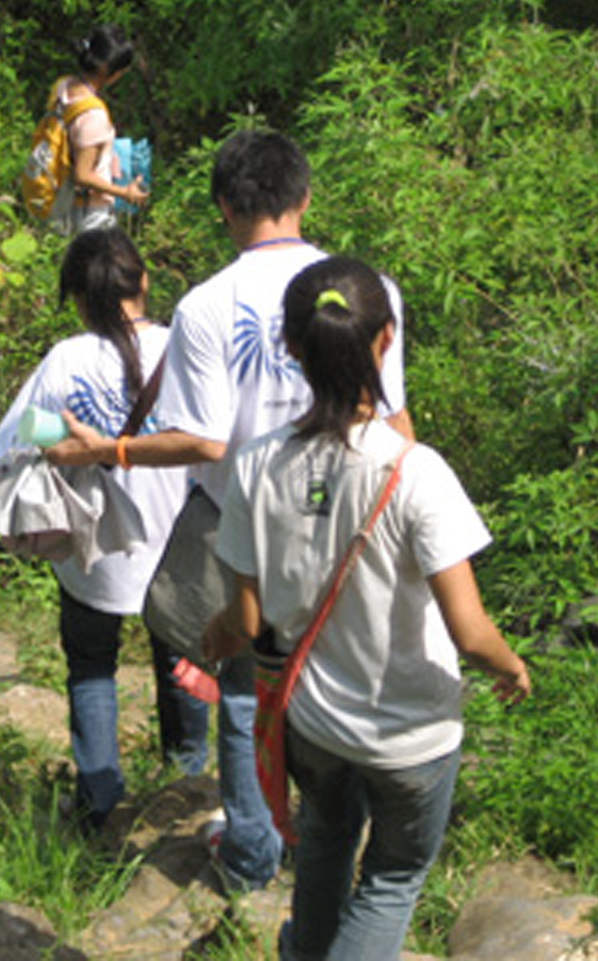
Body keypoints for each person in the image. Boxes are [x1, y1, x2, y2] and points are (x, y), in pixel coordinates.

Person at [46, 130, 413, 892]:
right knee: (341, 677)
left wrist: (108, 452)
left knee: (246, 693)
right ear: (305, 198)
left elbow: (205, 443)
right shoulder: (370, 287)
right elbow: (393, 420)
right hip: (349, 514)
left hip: (245, 522)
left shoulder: (207, 305)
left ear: (223, 208)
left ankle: (250, 854)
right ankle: (328, 842)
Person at [204, 256, 531, 960]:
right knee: (392, 878)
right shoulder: (417, 471)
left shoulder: (256, 465)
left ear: (290, 348)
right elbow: (470, 632)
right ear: (387, 340)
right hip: (412, 736)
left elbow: (248, 619)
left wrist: (215, 636)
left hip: (317, 724)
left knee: (324, 841)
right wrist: (512, 665)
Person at [0, 228, 206, 829]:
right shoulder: (188, 350)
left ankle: (99, 801)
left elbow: (12, 443)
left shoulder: (68, 359)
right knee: (183, 661)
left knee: (92, 667)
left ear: (80, 300)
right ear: (143, 282)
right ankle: (188, 787)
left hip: (94, 546)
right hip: (180, 540)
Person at [55, 25, 148, 234]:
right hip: (91, 213)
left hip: (65, 201)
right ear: (111, 72)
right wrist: (125, 192)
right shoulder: (93, 115)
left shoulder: (64, 88)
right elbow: (83, 175)